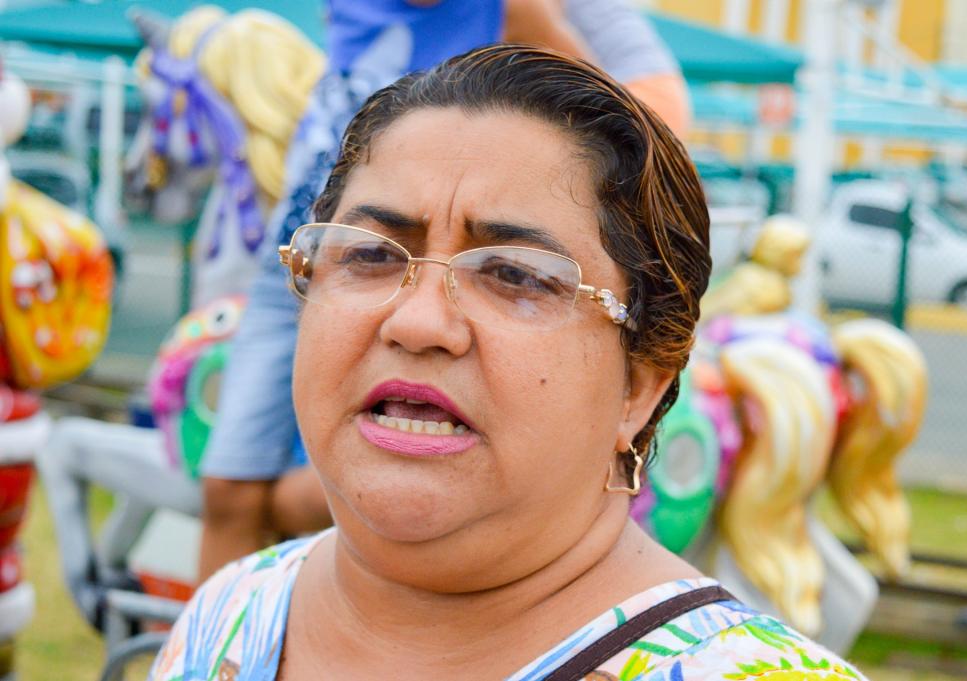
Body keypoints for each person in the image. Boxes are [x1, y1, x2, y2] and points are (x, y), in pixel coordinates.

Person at [150, 45, 865, 681]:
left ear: (642, 384)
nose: (418, 321)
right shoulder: (230, 614)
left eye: (517, 274)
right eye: (368, 254)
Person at [199, 0, 693, 579]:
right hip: (319, 255)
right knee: (229, 487)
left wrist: (531, 23)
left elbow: (661, 131)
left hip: (459, 262)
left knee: (362, 488)